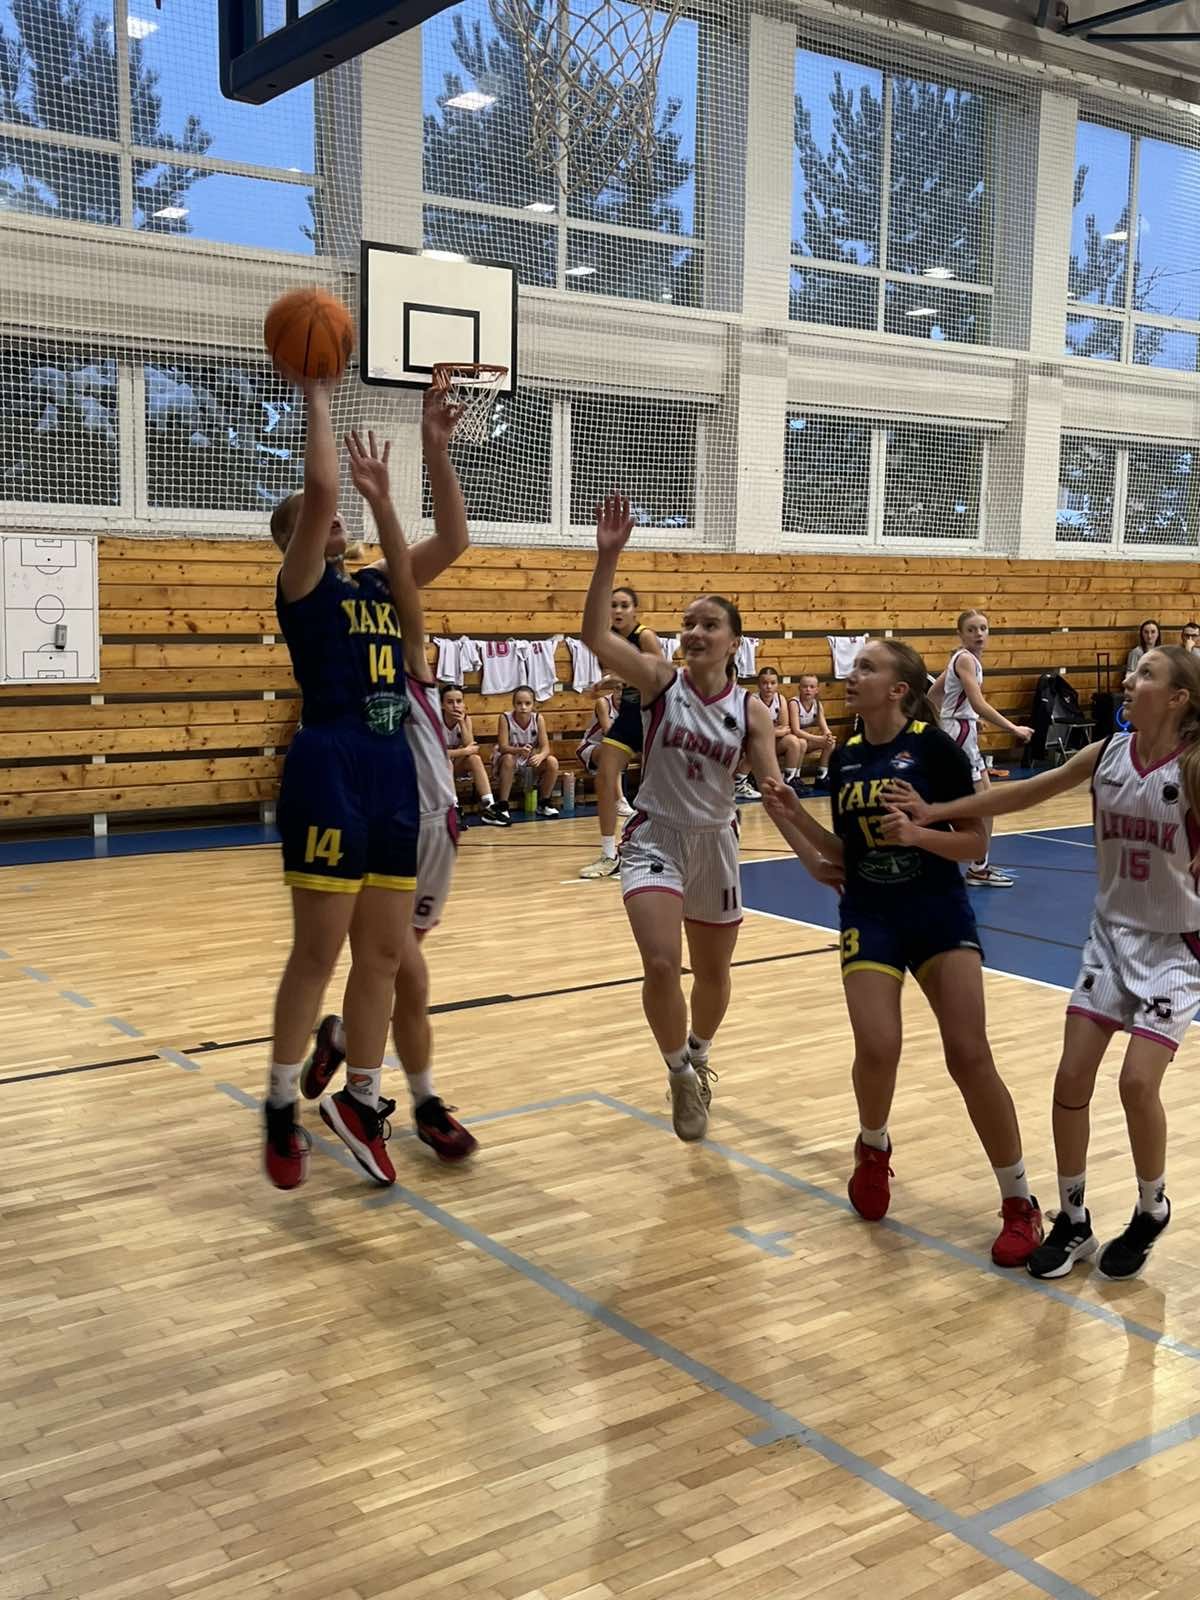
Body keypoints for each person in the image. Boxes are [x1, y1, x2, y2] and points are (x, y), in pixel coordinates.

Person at [885, 644, 1200, 1282]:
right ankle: (1074, 1219)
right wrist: (936, 814)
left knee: (1136, 1084)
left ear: (1177, 699)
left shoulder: (1193, 766)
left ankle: (1151, 1207)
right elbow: (1027, 792)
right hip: (1110, 938)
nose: (1130, 679)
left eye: (1146, 675)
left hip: (1175, 946)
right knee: (1070, 1079)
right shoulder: (1107, 754)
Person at [762, 639, 1043, 1267]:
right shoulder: (845, 757)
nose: (852, 674)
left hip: (937, 910)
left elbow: (974, 844)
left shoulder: (936, 749)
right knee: (878, 1046)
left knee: (969, 1055)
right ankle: (873, 1146)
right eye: (854, 664)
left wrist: (918, 834)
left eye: (867, 667)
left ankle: (1019, 1200)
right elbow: (847, 854)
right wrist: (793, 818)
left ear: (898, 690)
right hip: (871, 914)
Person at [273, 394, 479, 1179]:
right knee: (380, 967)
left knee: (393, 965)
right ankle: (381, 1097)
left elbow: (453, 539)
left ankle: (365, 1079)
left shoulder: (385, 591)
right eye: (315, 518)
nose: (332, 518)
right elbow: (326, 490)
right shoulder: (312, 591)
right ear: (296, 539)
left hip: (416, 799)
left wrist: (435, 449)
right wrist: (318, 394)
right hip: (353, 782)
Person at [582, 494, 783, 1144]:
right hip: (656, 838)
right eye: (688, 623)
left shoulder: (751, 712)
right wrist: (608, 558)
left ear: (733, 642)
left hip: (717, 845)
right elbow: (594, 637)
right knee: (663, 966)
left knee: (714, 975)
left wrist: (821, 854)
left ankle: (698, 1053)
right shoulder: (659, 681)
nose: (694, 632)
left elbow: (774, 789)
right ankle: (677, 1073)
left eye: (708, 625)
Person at [929, 609, 1032, 889]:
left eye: (983, 628)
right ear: (960, 634)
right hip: (960, 736)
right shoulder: (965, 659)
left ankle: (978, 865)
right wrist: (1013, 728)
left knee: (987, 802)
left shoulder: (961, 659)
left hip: (960, 731)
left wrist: (958, 718)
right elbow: (977, 702)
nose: (979, 634)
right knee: (978, 804)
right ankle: (971, 864)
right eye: (972, 629)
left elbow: (933, 695)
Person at [579, 588, 662, 879]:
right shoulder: (610, 639)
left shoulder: (645, 636)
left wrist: (617, 678)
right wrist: (607, 683)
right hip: (628, 716)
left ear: (635, 609)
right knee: (604, 775)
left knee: (657, 788)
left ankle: (659, 849)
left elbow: (659, 676)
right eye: (613, 605)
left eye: (624, 605)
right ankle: (608, 854)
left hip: (654, 715)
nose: (618, 610)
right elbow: (623, 677)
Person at [440, 682, 506, 826]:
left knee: (475, 758)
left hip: (455, 765)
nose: (455, 706)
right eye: (450, 702)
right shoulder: (435, 721)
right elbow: (436, 754)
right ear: (442, 705)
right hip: (435, 769)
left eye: (459, 701)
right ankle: (454, 808)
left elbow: (472, 747)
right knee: (446, 760)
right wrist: (463, 751)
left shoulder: (465, 719)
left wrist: (462, 723)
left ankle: (489, 806)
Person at [493, 685, 560, 819]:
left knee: (552, 762)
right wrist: (519, 750)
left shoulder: (538, 718)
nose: (523, 707)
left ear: (533, 704)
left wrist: (540, 756)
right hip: (509, 759)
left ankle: (544, 803)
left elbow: (546, 748)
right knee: (508, 759)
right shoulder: (505, 718)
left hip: (528, 760)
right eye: (519, 703)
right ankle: (503, 805)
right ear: (513, 704)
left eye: (527, 703)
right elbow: (503, 747)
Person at [789, 672, 836, 787]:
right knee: (802, 742)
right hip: (793, 743)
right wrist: (819, 738)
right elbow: (796, 730)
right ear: (799, 688)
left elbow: (825, 727)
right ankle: (795, 777)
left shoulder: (817, 705)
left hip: (807, 740)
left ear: (817, 690)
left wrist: (828, 737)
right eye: (805, 686)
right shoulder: (794, 703)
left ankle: (822, 776)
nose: (808, 690)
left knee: (830, 743)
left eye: (812, 687)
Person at [577, 683, 619, 777]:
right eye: (617, 688)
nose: (620, 693)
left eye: (625, 689)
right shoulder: (603, 703)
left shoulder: (634, 704)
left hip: (616, 749)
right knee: (613, 750)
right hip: (591, 746)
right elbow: (609, 734)